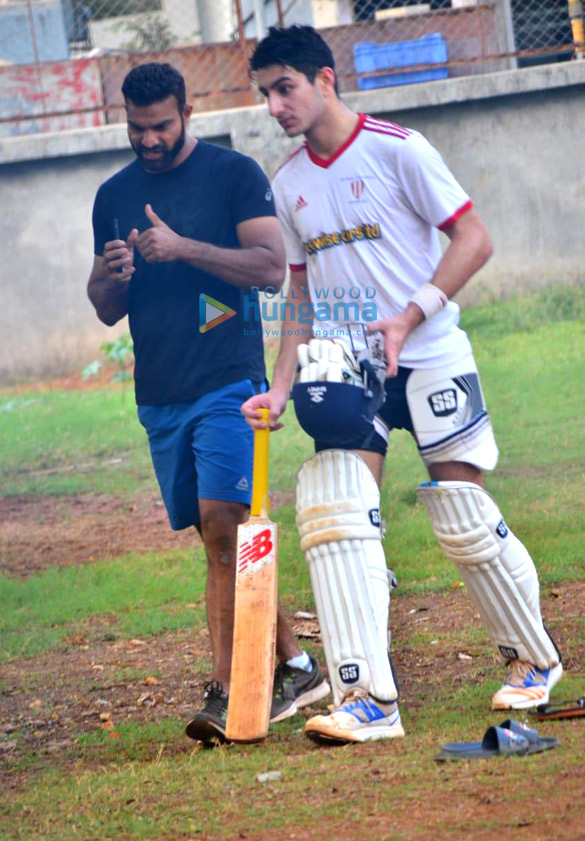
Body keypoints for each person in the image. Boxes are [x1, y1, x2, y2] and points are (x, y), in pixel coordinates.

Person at [242, 26, 562, 745]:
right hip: (347, 369)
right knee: (336, 518)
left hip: (429, 352)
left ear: (325, 79)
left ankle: (532, 660)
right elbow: (297, 292)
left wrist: (408, 315)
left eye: (284, 87)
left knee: (464, 515)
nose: (273, 105)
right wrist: (282, 385)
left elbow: (473, 238)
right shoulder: (287, 182)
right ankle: (367, 700)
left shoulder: (397, 148)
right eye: (264, 92)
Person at [87, 61, 329, 745]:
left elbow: (269, 266)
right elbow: (104, 309)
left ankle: (225, 689)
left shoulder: (232, 174)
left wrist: (182, 247)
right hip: (160, 393)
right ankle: (297, 663)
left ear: (185, 111)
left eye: (160, 125)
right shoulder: (112, 194)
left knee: (223, 525)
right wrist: (109, 277)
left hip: (229, 378)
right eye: (137, 129)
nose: (150, 139)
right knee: (218, 538)